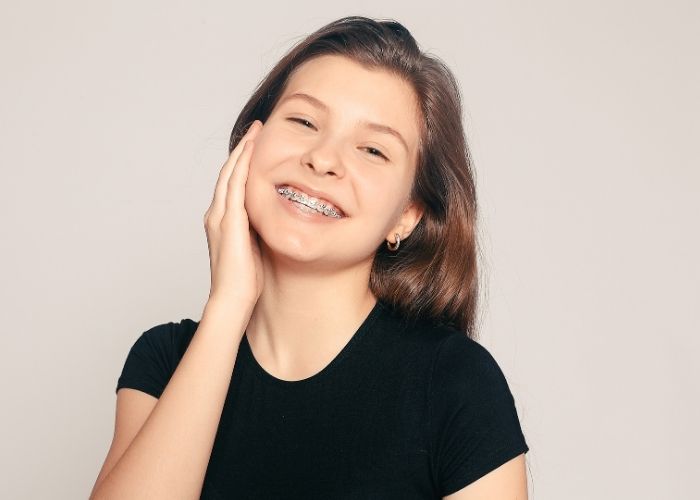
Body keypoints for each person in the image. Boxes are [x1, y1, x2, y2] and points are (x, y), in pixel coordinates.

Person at [90, 16, 530, 500]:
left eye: (373, 150)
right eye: (304, 121)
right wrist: (228, 306)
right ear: (247, 145)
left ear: (406, 214)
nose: (323, 159)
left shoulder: (455, 384)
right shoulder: (164, 360)